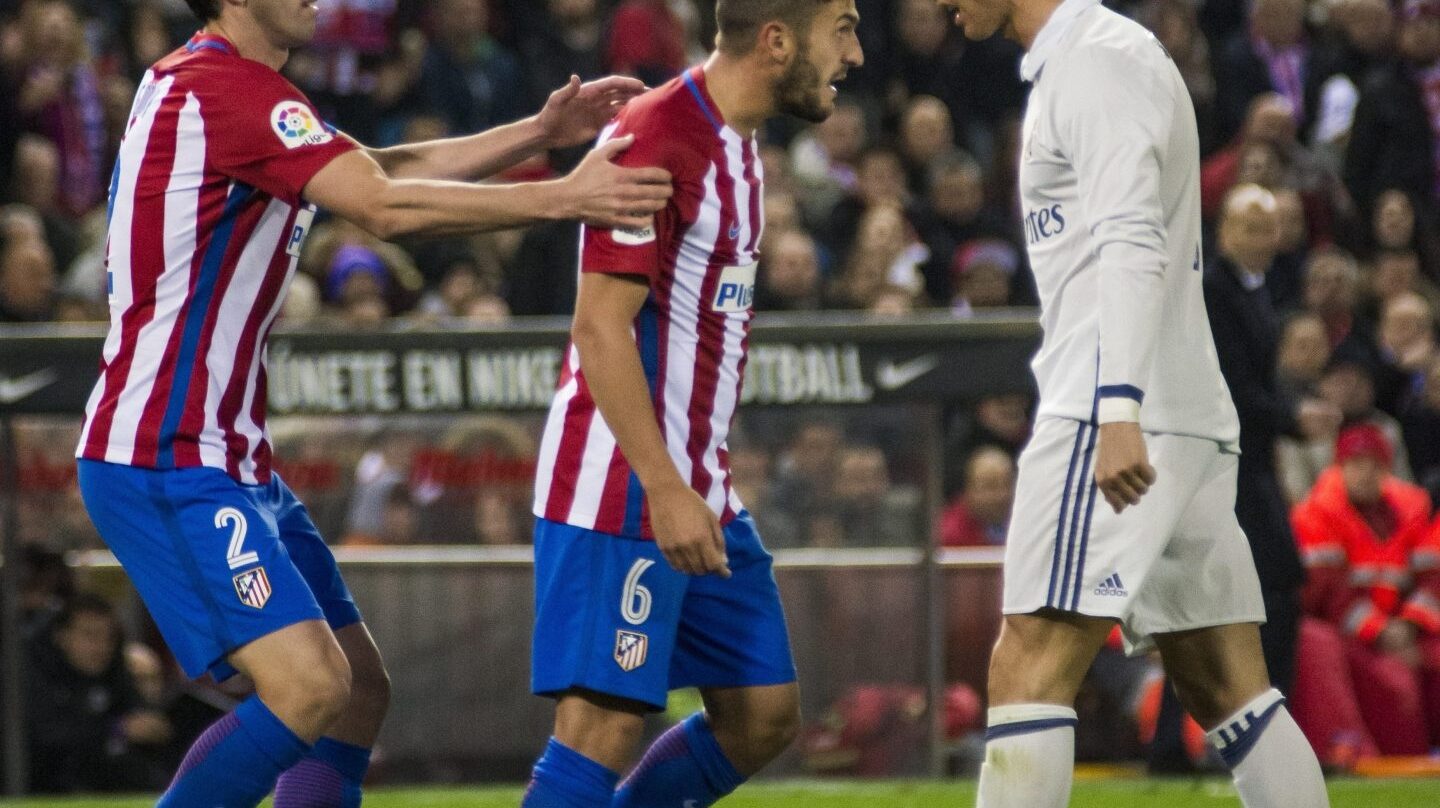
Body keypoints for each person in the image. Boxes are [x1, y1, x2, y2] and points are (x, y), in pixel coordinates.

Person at [72, 0, 672, 804]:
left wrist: (534, 134)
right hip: (163, 454)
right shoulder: (229, 91)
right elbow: (385, 207)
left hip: (224, 454)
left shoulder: (215, 85)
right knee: (309, 687)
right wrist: (566, 197)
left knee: (354, 693)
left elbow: (380, 168)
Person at [936, 0, 1329, 805]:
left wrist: (1117, 408)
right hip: (1174, 412)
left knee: (1029, 659)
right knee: (1228, 687)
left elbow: (1131, 238)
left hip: (1111, 412)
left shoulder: (1095, 62)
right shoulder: (1098, 56)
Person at [524, 2, 863, 807]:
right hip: (624, 483)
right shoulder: (660, 136)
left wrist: (689, 484)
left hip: (696, 481)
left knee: (761, 714)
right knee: (601, 726)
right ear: (778, 40)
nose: (855, 53)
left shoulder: (737, 145)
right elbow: (600, 330)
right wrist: (664, 488)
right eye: (843, 28)